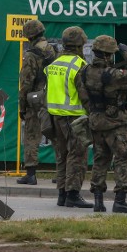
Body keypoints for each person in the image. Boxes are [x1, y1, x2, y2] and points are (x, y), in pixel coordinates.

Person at [76, 35, 127, 213]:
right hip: (115, 123)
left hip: (96, 121)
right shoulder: (112, 75)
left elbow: (83, 97)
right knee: (125, 157)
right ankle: (120, 200)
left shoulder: (84, 72)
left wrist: (96, 111)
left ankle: (98, 200)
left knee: (100, 158)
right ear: (108, 55)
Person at [45, 26, 92, 208]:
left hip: (55, 117)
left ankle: (62, 194)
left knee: (62, 156)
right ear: (80, 44)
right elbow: (84, 95)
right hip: (75, 118)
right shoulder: (79, 66)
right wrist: (93, 114)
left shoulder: (54, 64)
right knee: (77, 156)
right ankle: (73, 194)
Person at [16, 19, 56, 185]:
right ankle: (61, 173)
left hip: (35, 100)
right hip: (54, 98)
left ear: (29, 36)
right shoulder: (54, 51)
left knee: (32, 137)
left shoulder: (31, 55)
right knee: (57, 137)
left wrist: (22, 106)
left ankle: (31, 174)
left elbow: (26, 83)